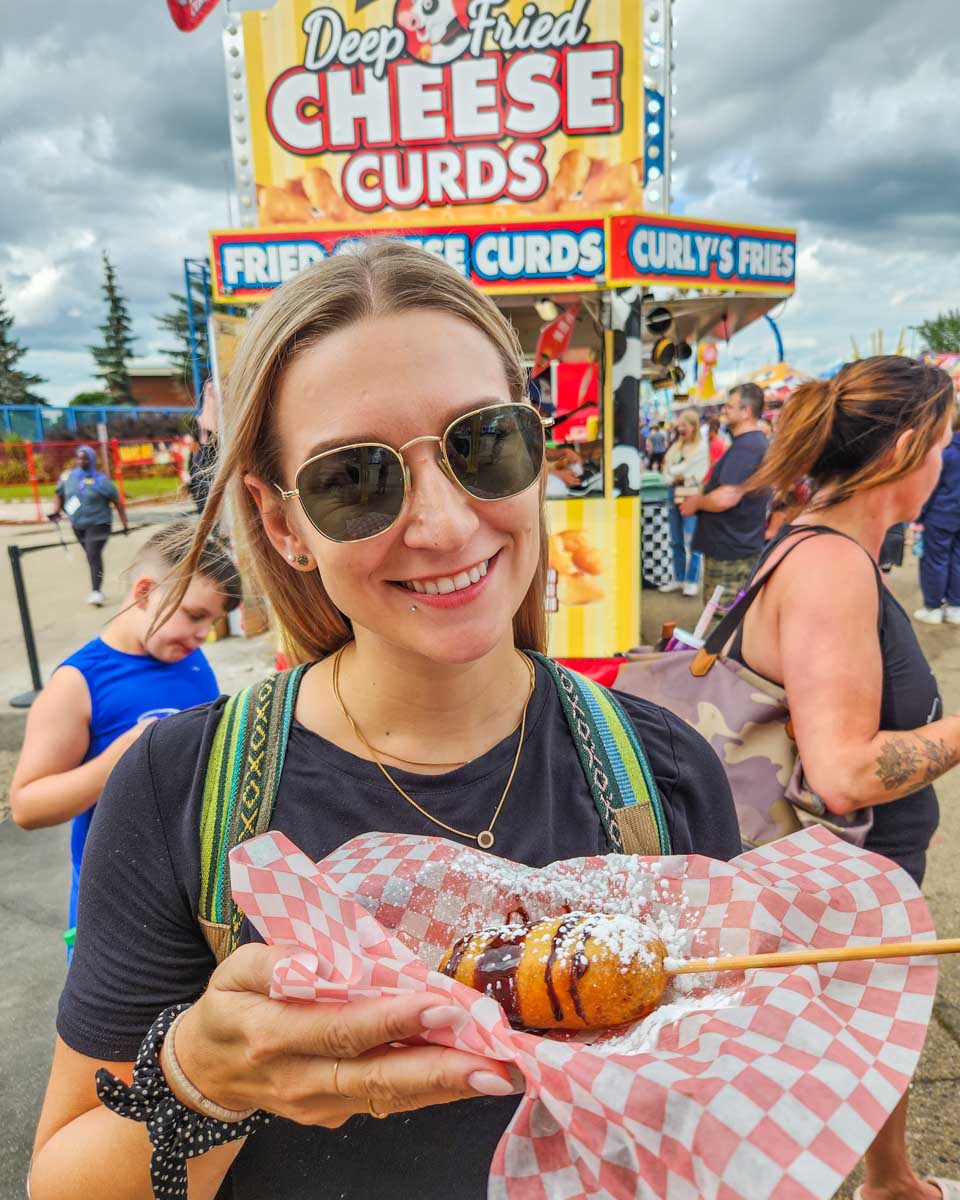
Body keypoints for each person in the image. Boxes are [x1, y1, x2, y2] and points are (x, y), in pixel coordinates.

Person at [29, 242, 743, 1200]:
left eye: (484, 443)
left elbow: (711, 1112)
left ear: (538, 452)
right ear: (282, 524)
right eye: (355, 479)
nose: (445, 526)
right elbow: (63, 1184)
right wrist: (201, 1080)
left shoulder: (661, 772)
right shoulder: (181, 789)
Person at [728, 355, 958, 1200]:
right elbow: (845, 773)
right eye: (943, 443)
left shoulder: (820, 547)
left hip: (851, 873)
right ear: (906, 449)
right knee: (829, 1044)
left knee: (871, 1022)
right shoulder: (830, 568)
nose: (945, 462)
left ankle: (891, 1182)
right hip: (838, 870)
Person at [10, 522, 242, 960]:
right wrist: (119, 757)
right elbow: (27, 806)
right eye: (195, 616)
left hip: (193, 890)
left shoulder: (188, 658)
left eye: (211, 622)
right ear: (144, 592)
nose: (203, 635)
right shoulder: (77, 682)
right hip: (117, 902)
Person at [680, 383, 769, 608]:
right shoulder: (749, 444)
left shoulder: (747, 447)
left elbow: (726, 497)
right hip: (734, 546)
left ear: (746, 411)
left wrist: (697, 502)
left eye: (729, 406)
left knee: (720, 617)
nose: (724, 411)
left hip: (731, 551)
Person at [51, 444, 128, 605]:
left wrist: (124, 525)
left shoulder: (102, 480)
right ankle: (97, 585)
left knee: (93, 554)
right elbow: (58, 494)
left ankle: (96, 591)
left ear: (92, 459)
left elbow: (117, 503)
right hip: (78, 525)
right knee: (91, 556)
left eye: (85, 457)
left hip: (100, 523)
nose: (82, 461)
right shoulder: (68, 477)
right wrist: (56, 511)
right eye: (79, 457)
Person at [914, 403, 960, 624]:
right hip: (950, 514)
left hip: (940, 515)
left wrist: (919, 515)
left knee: (935, 561)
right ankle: (955, 606)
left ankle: (933, 607)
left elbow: (929, 488)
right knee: (957, 560)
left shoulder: (944, 453)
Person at [658, 407, 708, 597]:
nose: (680, 429)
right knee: (676, 539)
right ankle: (678, 578)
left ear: (694, 427)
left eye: (684, 426)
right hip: (673, 493)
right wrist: (674, 472)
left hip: (691, 494)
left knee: (692, 541)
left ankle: (692, 580)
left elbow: (685, 470)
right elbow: (666, 469)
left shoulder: (702, 448)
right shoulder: (676, 446)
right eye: (679, 426)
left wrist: (674, 471)